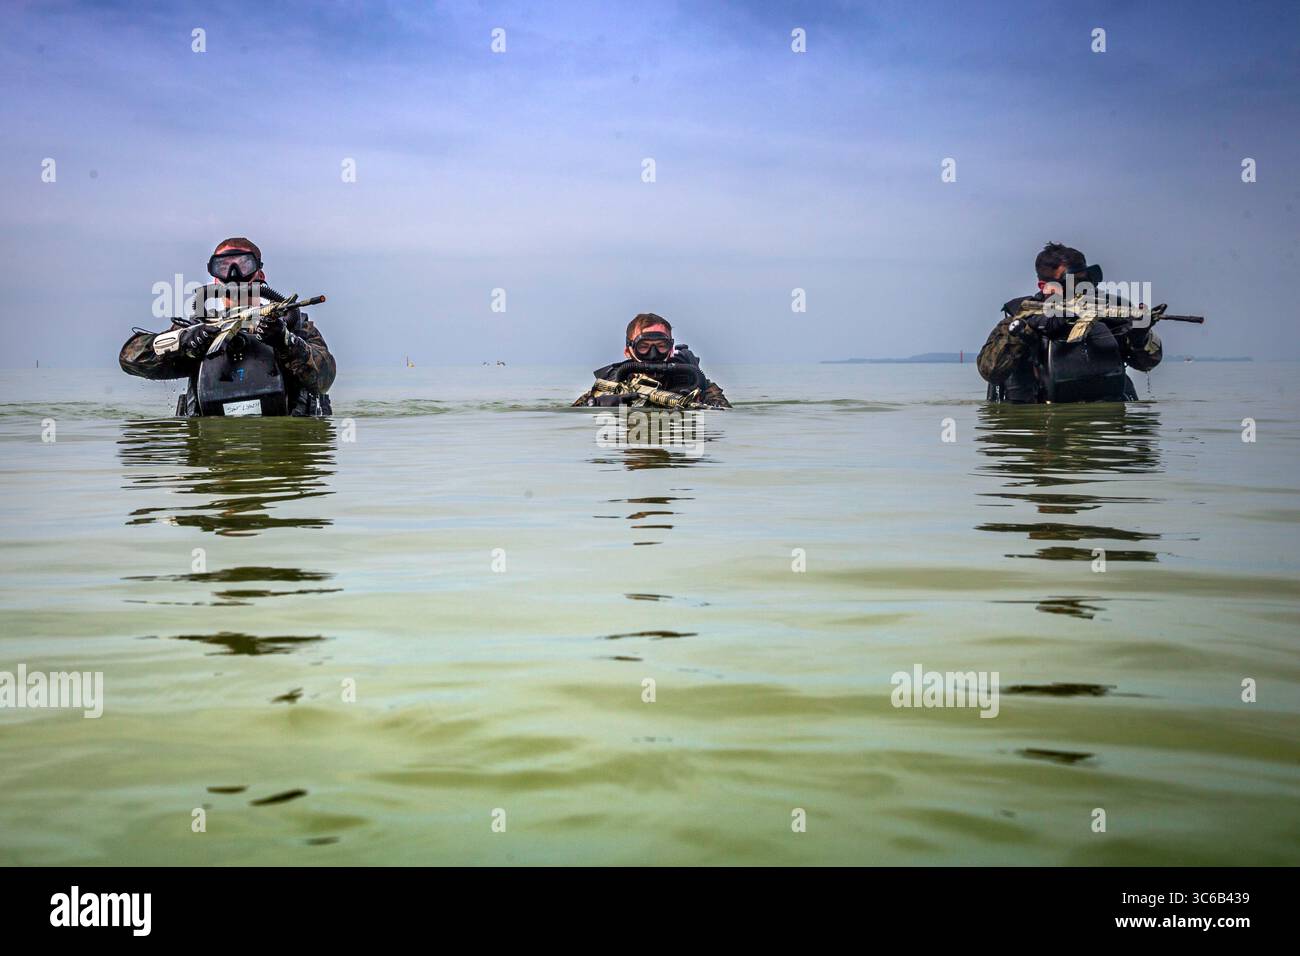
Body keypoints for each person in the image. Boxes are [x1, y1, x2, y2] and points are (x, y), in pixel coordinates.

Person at [119, 238, 336, 416]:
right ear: (215, 280)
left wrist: (285, 341)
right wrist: (185, 342)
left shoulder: (291, 325)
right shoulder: (200, 329)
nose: (233, 275)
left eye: (243, 265)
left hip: (281, 458)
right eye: (224, 267)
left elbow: (325, 377)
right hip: (215, 457)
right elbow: (131, 359)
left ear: (259, 275)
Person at [977, 242, 1162, 403]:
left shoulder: (1108, 315)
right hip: (1041, 429)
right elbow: (990, 371)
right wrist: (1025, 334)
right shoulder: (1022, 319)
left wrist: (1139, 334)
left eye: (1086, 281)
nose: (1083, 289)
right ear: (1046, 287)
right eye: (1073, 282)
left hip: (1105, 430)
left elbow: (1147, 363)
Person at [572, 313, 731, 408]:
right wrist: (597, 404)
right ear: (628, 351)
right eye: (644, 346)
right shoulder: (613, 381)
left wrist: (695, 404)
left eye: (661, 346)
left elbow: (725, 414)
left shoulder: (692, 380)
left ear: (671, 348)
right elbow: (571, 417)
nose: (653, 353)